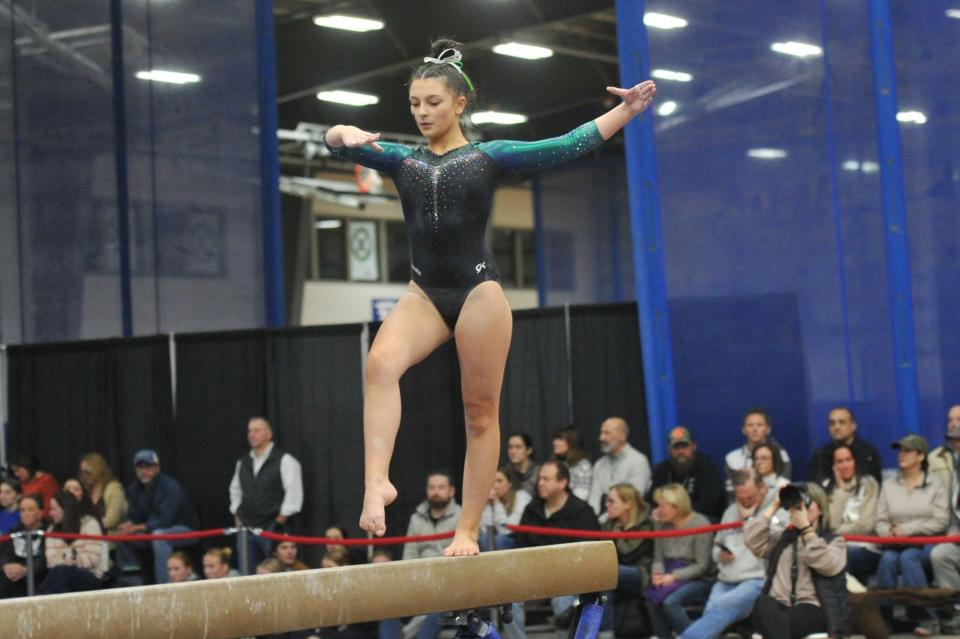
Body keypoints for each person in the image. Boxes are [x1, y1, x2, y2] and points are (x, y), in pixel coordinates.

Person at [327, 38, 657, 556]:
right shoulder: (402, 162)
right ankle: (377, 482)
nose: (421, 113)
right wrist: (341, 132)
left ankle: (466, 530)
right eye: (414, 104)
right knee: (379, 365)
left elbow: (565, 143)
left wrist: (626, 111)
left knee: (479, 415)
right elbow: (337, 142)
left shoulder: (489, 156)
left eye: (433, 102)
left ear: (460, 104)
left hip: (479, 293)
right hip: (425, 292)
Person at [745, 483, 849, 639]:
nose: (801, 509)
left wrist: (807, 530)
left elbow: (827, 565)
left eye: (806, 503)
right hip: (778, 606)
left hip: (812, 607)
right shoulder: (783, 539)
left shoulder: (833, 542)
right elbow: (752, 540)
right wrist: (775, 505)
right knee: (763, 602)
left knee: (781, 623)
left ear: (820, 509)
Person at [875, 434, 949, 635]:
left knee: (909, 558)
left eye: (908, 451)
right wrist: (888, 533)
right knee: (888, 560)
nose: (902, 455)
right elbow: (880, 520)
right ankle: (884, 618)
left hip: (927, 543)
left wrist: (909, 529)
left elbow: (941, 520)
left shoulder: (935, 483)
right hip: (894, 543)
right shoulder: (889, 484)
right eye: (900, 450)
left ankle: (926, 617)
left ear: (921, 456)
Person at [680, 468, 767, 639]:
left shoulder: (776, 510)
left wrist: (748, 521)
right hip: (726, 579)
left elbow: (774, 544)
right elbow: (716, 547)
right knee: (711, 612)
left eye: (750, 497)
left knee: (722, 606)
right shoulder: (730, 511)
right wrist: (720, 554)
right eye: (740, 498)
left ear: (762, 488)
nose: (745, 503)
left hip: (757, 579)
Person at [515, 461, 600, 634]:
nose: (540, 483)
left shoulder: (582, 511)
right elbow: (519, 546)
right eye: (540, 479)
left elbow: (588, 554)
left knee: (562, 597)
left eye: (546, 479)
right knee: (507, 597)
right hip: (533, 573)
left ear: (563, 483)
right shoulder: (532, 509)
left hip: (568, 574)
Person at [229, 416, 304, 572]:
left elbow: (294, 492)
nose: (252, 434)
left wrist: (279, 520)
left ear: (268, 434)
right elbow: (235, 489)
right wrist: (236, 513)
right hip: (246, 528)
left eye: (257, 430)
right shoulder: (242, 462)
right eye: (250, 431)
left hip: (271, 526)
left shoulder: (284, 459)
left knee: (273, 571)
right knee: (247, 573)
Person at [115, 449, 199, 584]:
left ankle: (164, 586)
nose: (144, 471)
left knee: (159, 536)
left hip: (184, 529)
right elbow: (134, 516)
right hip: (150, 531)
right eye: (140, 467)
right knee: (123, 535)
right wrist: (128, 526)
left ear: (157, 467)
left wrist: (137, 527)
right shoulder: (134, 489)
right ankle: (131, 584)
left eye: (148, 466)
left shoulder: (170, 487)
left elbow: (166, 520)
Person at [645, 484, 714, 639]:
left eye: (662, 506)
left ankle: (693, 636)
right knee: (651, 599)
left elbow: (702, 566)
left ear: (676, 506)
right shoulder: (660, 524)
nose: (658, 510)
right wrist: (657, 575)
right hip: (669, 571)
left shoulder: (700, 524)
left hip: (697, 577)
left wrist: (673, 577)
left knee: (671, 602)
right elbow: (658, 557)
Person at [821, 442, 880, 585]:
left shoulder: (869, 484)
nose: (845, 465)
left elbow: (867, 525)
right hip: (837, 546)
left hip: (865, 547)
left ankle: (847, 602)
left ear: (855, 461)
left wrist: (838, 533)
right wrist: (840, 491)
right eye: (839, 462)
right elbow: (830, 524)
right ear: (833, 466)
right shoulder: (827, 487)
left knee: (845, 555)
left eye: (848, 460)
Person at [648, 426, 724, 521]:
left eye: (684, 446)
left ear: (694, 446)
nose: (680, 452)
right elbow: (652, 501)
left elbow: (710, 503)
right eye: (676, 447)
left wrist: (679, 515)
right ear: (669, 450)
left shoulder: (706, 466)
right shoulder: (661, 470)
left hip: (700, 520)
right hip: (668, 521)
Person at [39, 491, 108, 594]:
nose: (50, 513)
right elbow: (51, 562)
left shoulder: (90, 524)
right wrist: (71, 561)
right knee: (61, 581)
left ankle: (39, 598)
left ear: (65, 509)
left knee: (62, 571)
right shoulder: (51, 530)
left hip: (91, 576)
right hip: (63, 577)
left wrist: (66, 561)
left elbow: (92, 559)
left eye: (53, 509)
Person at [930, 405, 960, 634]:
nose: (957, 442)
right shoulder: (949, 468)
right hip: (956, 533)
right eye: (954, 440)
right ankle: (955, 612)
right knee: (940, 554)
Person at [588, 417, 652, 517]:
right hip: (603, 525)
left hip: (631, 524)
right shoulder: (599, 464)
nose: (601, 438)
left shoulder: (638, 461)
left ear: (622, 436)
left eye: (607, 433)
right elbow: (594, 498)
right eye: (601, 433)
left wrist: (603, 521)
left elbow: (634, 499)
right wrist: (592, 520)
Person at [723, 409, 792, 496]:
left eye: (759, 425)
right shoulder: (732, 458)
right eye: (750, 425)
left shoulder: (781, 455)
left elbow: (784, 490)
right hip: (742, 506)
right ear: (744, 430)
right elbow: (731, 494)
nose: (755, 429)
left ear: (768, 429)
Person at [806, 406, 882, 484]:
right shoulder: (820, 456)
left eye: (842, 422)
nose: (836, 427)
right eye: (832, 423)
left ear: (853, 426)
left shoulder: (868, 453)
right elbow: (815, 488)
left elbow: (874, 486)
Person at [603, 482, 653, 595]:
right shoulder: (609, 524)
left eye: (611, 501)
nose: (606, 505)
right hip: (612, 571)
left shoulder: (645, 525)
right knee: (603, 587)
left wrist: (617, 531)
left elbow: (627, 555)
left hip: (639, 572)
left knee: (604, 573)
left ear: (628, 504)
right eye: (606, 501)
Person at [402, 471, 461, 561]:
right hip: (421, 572)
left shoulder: (462, 517)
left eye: (441, 487)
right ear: (426, 490)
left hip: (453, 570)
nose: (436, 492)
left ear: (451, 491)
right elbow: (409, 554)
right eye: (432, 487)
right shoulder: (415, 519)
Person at [0, 493, 46, 598]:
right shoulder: (13, 531)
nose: (26, 514)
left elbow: (44, 558)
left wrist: (26, 570)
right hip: (12, 576)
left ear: (40, 513)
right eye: (22, 510)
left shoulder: (47, 532)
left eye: (30, 510)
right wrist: (6, 566)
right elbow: (3, 553)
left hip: (37, 576)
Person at [479, 466, 531, 551]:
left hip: (518, 541)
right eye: (492, 482)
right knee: (483, 540)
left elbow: (506, 530)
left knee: (499, 540)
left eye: (499, 481)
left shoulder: (521, 497)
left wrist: (497, 503)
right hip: (492, 542)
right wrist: (487, 505)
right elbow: (485, 531)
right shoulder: (488, 501)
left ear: (510, 483)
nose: (495, 486)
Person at [78, 451, 127, 534]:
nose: (84, 476)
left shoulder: (114, 489)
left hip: (109, 538)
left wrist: (89, 526)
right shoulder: (86, 490)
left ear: (97, 470)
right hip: (88, 537)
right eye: (82, 473)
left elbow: (112, 520)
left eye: (87, 472)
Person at [552, 427, 592, 500]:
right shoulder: (555, 464)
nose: (555, 443)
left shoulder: (583, 466)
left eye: (560, 439)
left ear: (572, 442)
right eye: (555, 439)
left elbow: (581, 497)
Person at [504, 431, 541, 497]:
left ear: (529, 450)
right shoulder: (505, 473)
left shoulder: (539, 472)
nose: (513, 451)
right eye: (510, 447)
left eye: (518, 447)